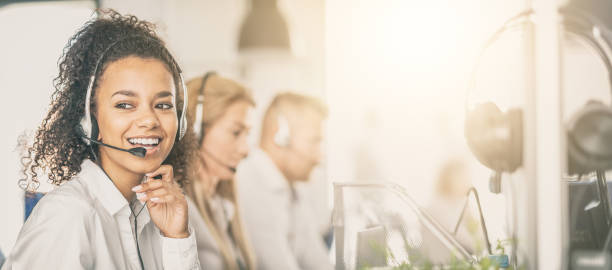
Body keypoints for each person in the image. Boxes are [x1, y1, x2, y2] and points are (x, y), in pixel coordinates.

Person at [3, 10, 200, 269]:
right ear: (89, 119)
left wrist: (177, 238)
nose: (150, 120)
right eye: (125, 104)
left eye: (163, 105)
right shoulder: (68, 216)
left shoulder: (154, 215)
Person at [237, 92, 332, 270]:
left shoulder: (292, 187)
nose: (319, 157)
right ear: (280, 136)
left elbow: (317, 260)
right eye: (314, 142)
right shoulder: (250, 184)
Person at [183, 72, 257, 270]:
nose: (245, 149)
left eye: (247, 134)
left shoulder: (221, 203)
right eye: (235, 132)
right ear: (195, 131)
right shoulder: (179, 210)